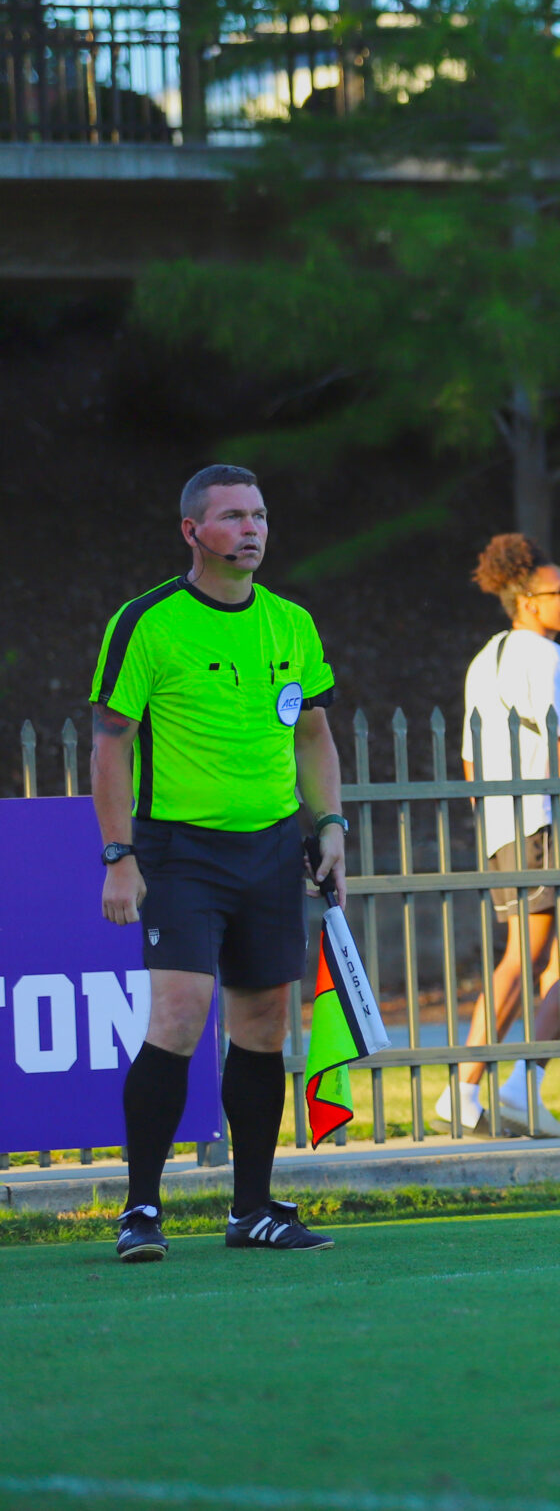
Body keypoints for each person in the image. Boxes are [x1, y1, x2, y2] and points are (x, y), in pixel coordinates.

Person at [94, 465, 344, 1261]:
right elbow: (110, 744)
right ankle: (140, 1208)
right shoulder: (148, 622)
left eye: (261, 514)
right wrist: (119, 855)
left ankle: (253, 1209)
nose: (252, 528)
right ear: (191, 531)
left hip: (271, 847)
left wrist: (330, 821)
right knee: (176, 1017)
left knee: (264, 1027)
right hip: (179, 849)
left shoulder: (291, 623)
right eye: (233, 516)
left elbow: (312, 735)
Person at [443, 534, 560, 1139]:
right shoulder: (550, 658)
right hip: (544, 820)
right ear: (529, 602)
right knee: (528, 956)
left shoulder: (486, 657)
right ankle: (463, 1090)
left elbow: (470, 763)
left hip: (505, 823)